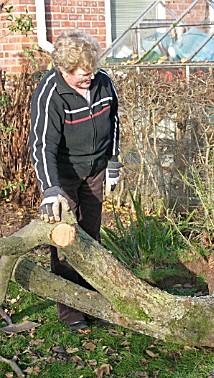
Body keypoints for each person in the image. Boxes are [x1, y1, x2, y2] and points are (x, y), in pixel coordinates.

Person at [29, 29, 121, 332]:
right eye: (84, 73)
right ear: (64, 70)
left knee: (91, 237)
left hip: (95, 170)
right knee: (66, 241)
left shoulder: (103, 82)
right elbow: (42, 145)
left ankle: (91, 300)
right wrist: (50, 189)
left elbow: (115, 122)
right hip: (64, 176)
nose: (90, 77)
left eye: (93, 69)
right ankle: (70, 311)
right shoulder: (50, 94)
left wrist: (113, 162)